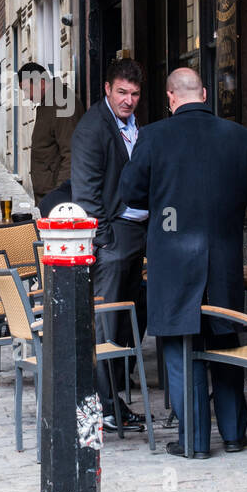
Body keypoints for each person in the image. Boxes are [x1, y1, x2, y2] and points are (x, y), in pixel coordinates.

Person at [117, 68, 247, 459]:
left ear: (169, 97)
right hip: (225, 261)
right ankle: (233, 434)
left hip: (174, 261)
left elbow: (131, 193)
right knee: (226, 345)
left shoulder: (154, 137)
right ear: (205, 93)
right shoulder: (239, 136)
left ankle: (194, 442)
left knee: (181, 349)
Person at [69, 57, 149, 434]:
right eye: (122, 92)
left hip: (138, 239)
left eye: (134, 94)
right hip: (112, 243)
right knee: (106, 326)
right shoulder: (92, 129)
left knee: (134, 318)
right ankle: (102, 405)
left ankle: (115, 396)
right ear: (107, 89)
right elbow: (85, 195)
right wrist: (103, 244)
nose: (128, 100)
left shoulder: (137, 127)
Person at [19, 61, 78, 204]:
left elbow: (71, 153)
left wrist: (60, 195)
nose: (26, 96)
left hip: (57, 198)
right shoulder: (49, 103)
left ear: (41, 83)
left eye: (27, 90)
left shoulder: (62, 103)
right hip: (49, 195)